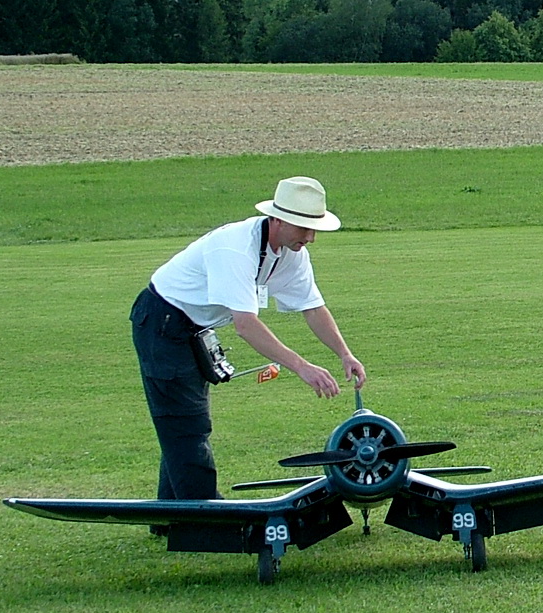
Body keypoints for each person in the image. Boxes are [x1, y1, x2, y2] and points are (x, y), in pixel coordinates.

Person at [130, 176, 367, 500]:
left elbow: (312, 307)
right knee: (188, 424)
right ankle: (205, 520)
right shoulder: (235, 247)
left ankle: (170, 515)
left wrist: (344, 353)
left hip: (194, 327)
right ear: (279, 220)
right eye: (303, 228)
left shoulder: (290, 252)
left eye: (315, 229)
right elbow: (245, 325)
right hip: (163, 322)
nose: (310, 237)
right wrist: (302, 367)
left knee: (182, 424)